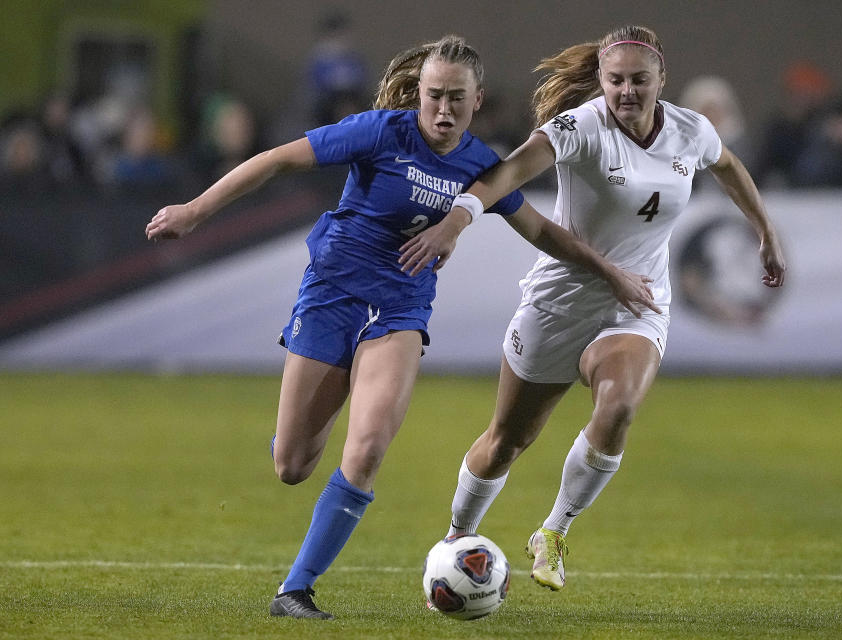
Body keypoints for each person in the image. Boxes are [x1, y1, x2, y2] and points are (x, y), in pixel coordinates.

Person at [145, 35, 656, 619]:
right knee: (292, 464)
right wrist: (195, 211)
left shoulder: (479, 165)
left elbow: (541, 230)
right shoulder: (380, 131)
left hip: (400, 312)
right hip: (333, 296)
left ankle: (295, 590)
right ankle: (303, 428)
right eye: (434, 96)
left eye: (456, 99)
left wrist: (610, 272)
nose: (443, 110)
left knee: (365, 451)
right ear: (419, 94)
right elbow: (278, 159)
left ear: (477, 100)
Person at [400, 25, 786, 591]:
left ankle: (553, 532)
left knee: (619, 404)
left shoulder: (689, 130)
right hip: (559, 301)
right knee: (508, 439)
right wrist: (455, 223)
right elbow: (505, 174)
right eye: (615, 80)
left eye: (639, 80)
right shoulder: (582, 127)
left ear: (661, 80)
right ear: (601, 81)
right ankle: (457, 535)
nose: (627, 91)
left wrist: (765, 233)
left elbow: (727, 165)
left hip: (638, 303)